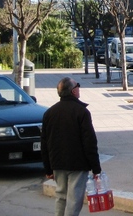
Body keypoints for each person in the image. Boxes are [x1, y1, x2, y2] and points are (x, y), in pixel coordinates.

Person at [41, 77, 102, 216]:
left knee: (61, 195)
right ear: (73, 91)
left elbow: (44, 142)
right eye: (78, 85)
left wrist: (48, 167)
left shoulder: (49, 113)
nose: (79, 88)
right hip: (78, 164)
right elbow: (89, 142)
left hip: (57, 163)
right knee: (74, 199)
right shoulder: (81, 112)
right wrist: (96, 168)